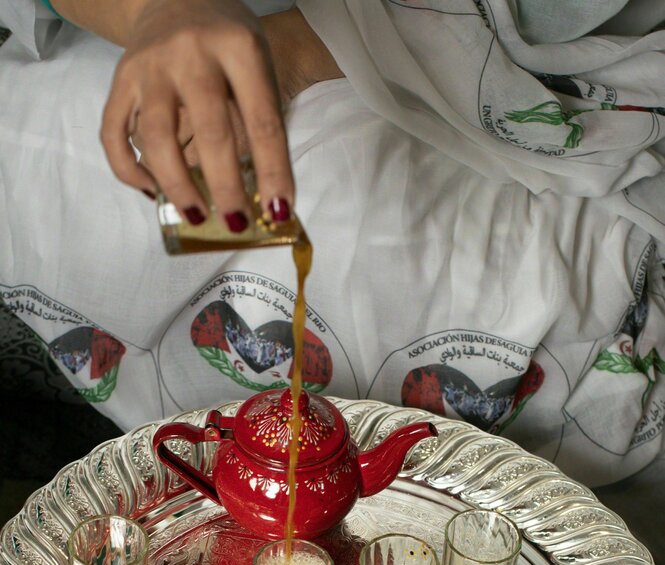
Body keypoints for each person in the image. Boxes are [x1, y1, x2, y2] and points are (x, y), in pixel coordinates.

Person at [0, 0, 664, 487]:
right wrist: (155, 12)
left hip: (502, 71)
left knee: (400, 244)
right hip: (136, 36)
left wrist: (324, 41)